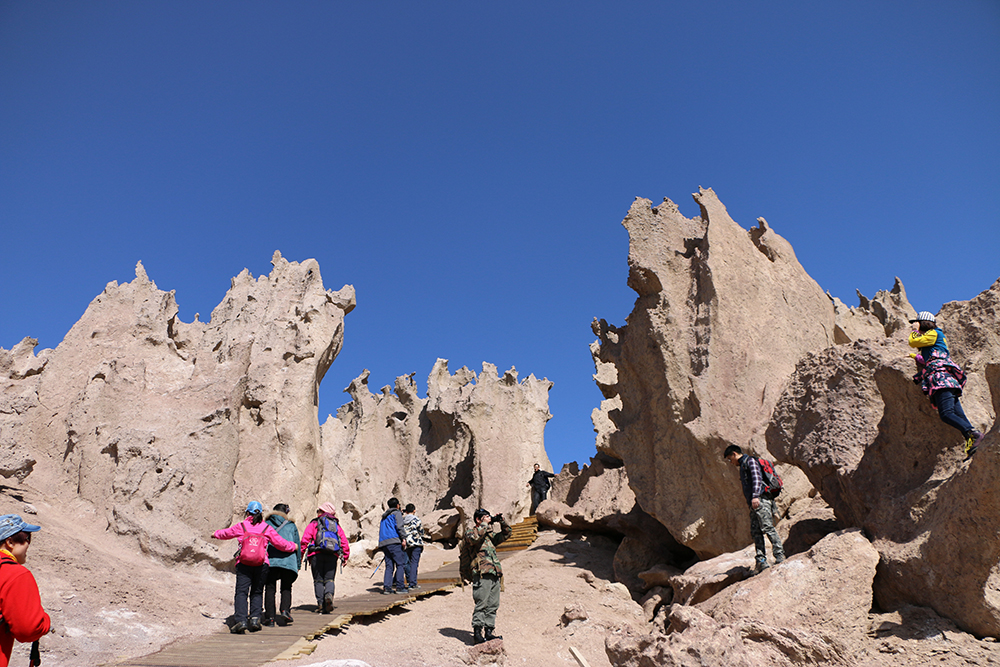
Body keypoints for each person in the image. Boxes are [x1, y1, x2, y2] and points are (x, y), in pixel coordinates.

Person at [212, 501, 297, 634]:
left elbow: (226, 533)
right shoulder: (266, 528)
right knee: (257, 592)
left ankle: (241, 620)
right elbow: (280, 544)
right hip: (261, 564)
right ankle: (255, 619)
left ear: (247, 513)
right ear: (261, 513)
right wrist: (293, 546)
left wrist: (215, 533)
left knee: (241, 592)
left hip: (244, 563)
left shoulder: (242, 526)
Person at [908, 310, 985, 459]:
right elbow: (928, 358)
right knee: (958, 414)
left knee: (946, 414)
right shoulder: (932, 340)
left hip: (940, 378)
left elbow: (913, 342)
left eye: (918, 323)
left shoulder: (934, 333)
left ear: (923, 323)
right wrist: (913, 357)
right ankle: (973, 442)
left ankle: (974, 435)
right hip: (944, 378)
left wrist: (914, 330)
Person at [723, 445, 785, 574]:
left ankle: (779, 555)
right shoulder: (743, 465)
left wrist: (755, 496)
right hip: (755, 503)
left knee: (767, 527)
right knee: (756, 531)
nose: (731, 462)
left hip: (760, 500)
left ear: (734, 454)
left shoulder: (749, 461)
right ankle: (761, 561)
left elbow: (757, 479)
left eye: (730, 459)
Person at [0, 515, 50, 667]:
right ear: (9, 542)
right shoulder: (15, 575)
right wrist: (45, 621)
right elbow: (28, 630)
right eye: (27, 538)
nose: (29, 544)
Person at [464, 508, 512, 645]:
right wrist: (484, 524)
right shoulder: (470, 532)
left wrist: (501, 521)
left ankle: (489, 631)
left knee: (493, 604)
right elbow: (474, 538)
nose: (488, 519)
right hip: (481, 573)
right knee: (482, 603)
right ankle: (477, 633)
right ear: (478, 520)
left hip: (494, 572)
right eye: (485, 517)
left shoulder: (490, 536)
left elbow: (507, 533)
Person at [300, 502, 349, 614]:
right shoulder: (336, 525)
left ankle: (321, 604)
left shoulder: (315, 523)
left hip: (316, 554)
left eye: (319, 511)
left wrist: (301, 554)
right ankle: (329, 595)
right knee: (329, 579)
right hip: (332, 556)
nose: (317, 512)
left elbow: (305, 539)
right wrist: (345, 556)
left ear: (322, 511)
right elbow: (344, 542)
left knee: (318, 580)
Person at [262, 503, 301, 627]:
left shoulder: (266, 524)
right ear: (286, 513)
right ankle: (285, 611)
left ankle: (270, 618)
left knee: (270, 588)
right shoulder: (291, 525)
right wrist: (298, 563)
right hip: (288, 561)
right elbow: (297, 546)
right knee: (286, 587)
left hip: (271, 560)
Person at [377, 498, 407, 595]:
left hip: (384, 543)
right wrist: (404, 538)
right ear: (397, 505)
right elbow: (400, 526)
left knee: (389, 566)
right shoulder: (396, 513)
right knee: (400, 564)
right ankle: (400, 587)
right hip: (394, 541)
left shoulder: (384, 516)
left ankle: (387, 587)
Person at [401, 504, 425, 590]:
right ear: (414, 510)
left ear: (406, 511)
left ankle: (408, 581)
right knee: (414, 563)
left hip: (407, 544)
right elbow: (421, 531)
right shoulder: (416, 519)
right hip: (416, 543)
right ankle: (412, 583)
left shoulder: (403, 520)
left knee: (408, 563)